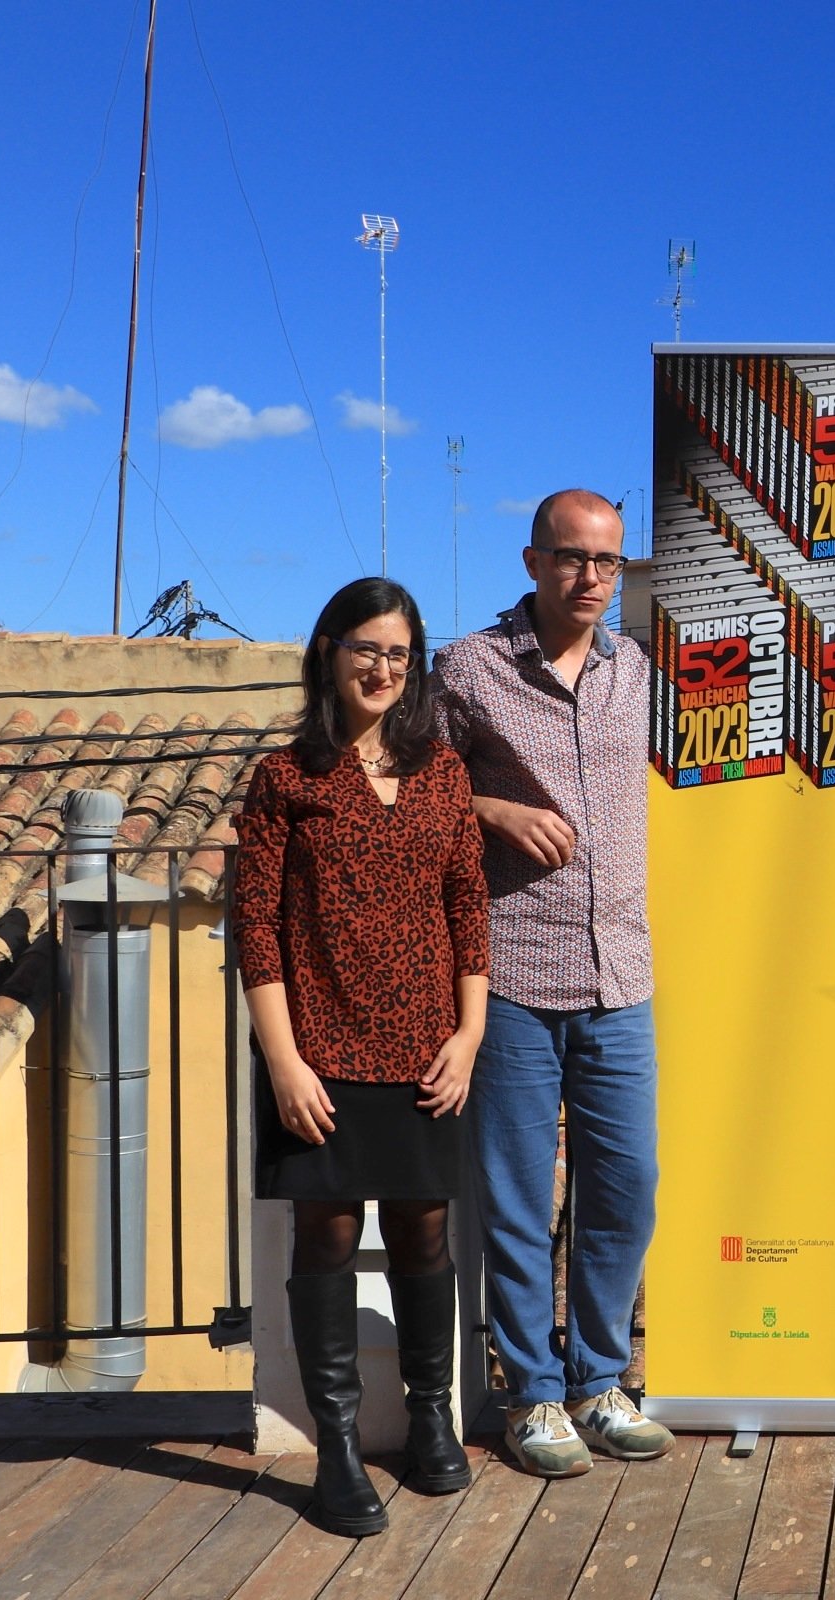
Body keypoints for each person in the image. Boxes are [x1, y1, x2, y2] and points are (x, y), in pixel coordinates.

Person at [235, 576, 489, 1537]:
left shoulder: (444, 772)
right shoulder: (286, 777)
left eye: (399, 652)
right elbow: (255, 926)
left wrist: (468, 1037)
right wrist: (284, 1063)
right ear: (331, 653)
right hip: (321, 1050)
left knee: (424, 1234)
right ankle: (336, 1449)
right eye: (366, 648)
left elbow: (469, 905)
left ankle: (432, 1420)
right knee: (328, 1239)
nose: (383, 668)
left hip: (430, 1051)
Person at [432, 489, 673, 1478]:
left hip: (621, 973)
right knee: (520, 1197)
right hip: (516, 972)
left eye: (607, 562)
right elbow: (408, 780)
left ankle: (599, 1380)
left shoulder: (638, 673)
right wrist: (488, 805)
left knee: (628, 1188)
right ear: (532, 561)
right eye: (571, 558)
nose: (590, 578)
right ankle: (532, 1393)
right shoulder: (471, 668)